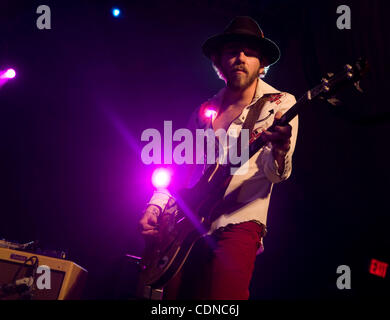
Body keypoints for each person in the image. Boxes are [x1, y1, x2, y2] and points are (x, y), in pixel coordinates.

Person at [139, 16, 299, 299]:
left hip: (238, 223)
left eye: (249, 52)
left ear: (262, 63)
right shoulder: (204, 111)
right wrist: (156, 205)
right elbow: (179, 169)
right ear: (218, 61)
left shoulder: (280, 104)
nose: (240, 57)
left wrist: (280, 148)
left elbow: (275, 175)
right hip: (185, 226)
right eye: (232, 51)